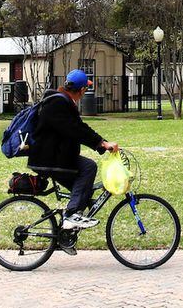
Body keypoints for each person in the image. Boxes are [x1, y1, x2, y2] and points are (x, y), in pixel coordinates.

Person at [28, 69, 119, 241]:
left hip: (53, 156)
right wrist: (101, 144)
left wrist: (102, 143)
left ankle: (68, 232)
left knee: (83, 190)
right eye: (86, 89)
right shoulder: (58, 104)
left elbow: (80, 127)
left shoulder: (61, 102)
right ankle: (70, 215)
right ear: (82, 90)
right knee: (88, 167)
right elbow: (75, 130)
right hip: (49, 159)